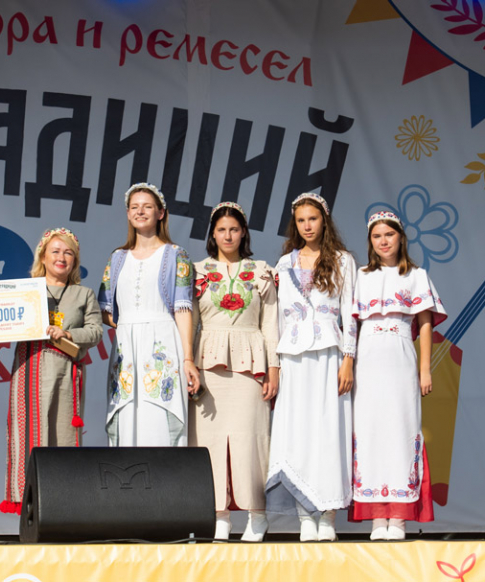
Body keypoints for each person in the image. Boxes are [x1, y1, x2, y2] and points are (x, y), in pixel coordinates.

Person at [349, 210, 447, 540]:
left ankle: (400, 517)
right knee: (370, 431)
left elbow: (425, 323)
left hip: (401, 358)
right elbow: (350, 324)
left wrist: (424, 370)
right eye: (377, 236)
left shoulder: (416, 275)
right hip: (367, 360)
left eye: (389, 234)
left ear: (401, 237)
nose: (383, 241)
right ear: (370, 241)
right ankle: (378, 517)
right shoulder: (360, 276)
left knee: (401, 430)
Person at [266, 192, 357, 542]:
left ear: (324, 221)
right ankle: (305, 515)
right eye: (301, 220)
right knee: (296, 430)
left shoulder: (343, 261)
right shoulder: (283, 264)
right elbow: (277, 318)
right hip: (293, 356)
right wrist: (275, 365)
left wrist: (348, 359)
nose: (307, 226)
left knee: (328, 429)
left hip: (329, 354)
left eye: (313, 219)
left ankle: (327, 514)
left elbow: (350, 313)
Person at [189, 202, 279, 542]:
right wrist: (187, 363)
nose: (228, 235)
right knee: (208, 442)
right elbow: (189, 323)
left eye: (234, 229)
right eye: (221, 230)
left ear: (244, 233)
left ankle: (257, 515)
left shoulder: (261, 271)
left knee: (251, 439)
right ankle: (219, 516)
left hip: (251, 366)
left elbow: (270, 325)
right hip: (207, 366)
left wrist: (274, 369)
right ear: (212, 234)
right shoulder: (196, 272)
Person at [0, 228, 102, 514]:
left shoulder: (83, 294)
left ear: (75, 260)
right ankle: (27, 506)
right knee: (28, 436)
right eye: (55, 251)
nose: (61, 257)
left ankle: (62, 507)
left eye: (68, 253)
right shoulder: (25, 290)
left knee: (62, 436)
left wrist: (67, 333)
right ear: (43, 256)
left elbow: (95, 331)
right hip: (29, 368)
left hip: (65, 371)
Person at [99, 183, 200, 446]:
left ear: (160, 213)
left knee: (159, 416)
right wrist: (129, 327)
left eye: (147, 207)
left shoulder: (177, 255)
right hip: (126, 349)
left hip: (162, 343)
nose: (140, 212)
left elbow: (183, 310)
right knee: (125, 418)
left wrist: (188, 358)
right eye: (134, 207)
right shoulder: (117, 258)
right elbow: (105, 311)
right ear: (128, 213)